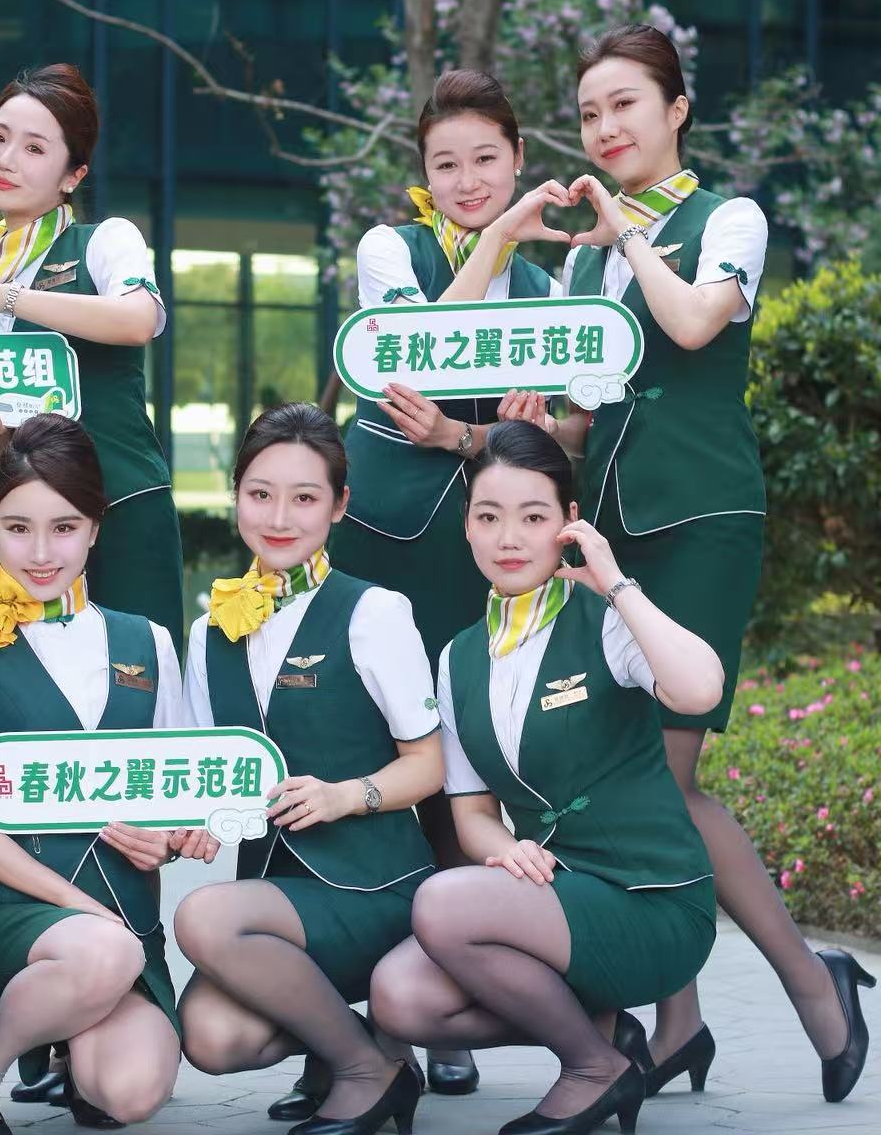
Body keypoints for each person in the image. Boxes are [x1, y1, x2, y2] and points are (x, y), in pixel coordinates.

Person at [489, 24, 875, 1102]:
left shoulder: (727, 219)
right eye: (589, 113)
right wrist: (536, 424)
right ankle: (681, 1020)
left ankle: (811, 984)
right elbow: (585, 416)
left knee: (666, 774)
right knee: (629, 777)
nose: (605, 127)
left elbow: (697, 324)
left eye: (625, 104)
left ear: (676, 110)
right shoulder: (581, 260)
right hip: (607, 529)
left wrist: (625, 232)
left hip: (703, 517)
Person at [368, 421, 730, 1135]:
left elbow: (699, 691)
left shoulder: (606, 621)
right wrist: (504, 850)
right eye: (488, 517)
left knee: (441, 903)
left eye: (532, 518)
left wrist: (615, 583)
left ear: (568, 522)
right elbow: (472, 814)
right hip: (552, 897)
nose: (508, 538)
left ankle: (592, 1069)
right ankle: (599, 1037)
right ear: (466, 526)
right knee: (399, 997)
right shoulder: (459, 658)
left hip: (651, 901)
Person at [324, 68, 565, 1106]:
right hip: (381, 542)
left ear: (519, 157)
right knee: (363, 757)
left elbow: (571, 428)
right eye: (446, 164)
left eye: (486, 161)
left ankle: (441, 999)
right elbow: (409, 350)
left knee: (461, 769)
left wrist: (491, 432)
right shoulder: (393, 249)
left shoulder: (554, 292)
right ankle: (343, 1024)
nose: (468, 181)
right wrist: (500, 236)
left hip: (486, 550)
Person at [0, 413, 205, 1134]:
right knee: (103, 950)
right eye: (18, 528)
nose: (42, 552)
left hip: (123, 914)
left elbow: (175, 791)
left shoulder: (148, 642)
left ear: (95, 528)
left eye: (65, 527)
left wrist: (172, 839)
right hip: (6, 909)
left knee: (130, 1094)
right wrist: (78, 908)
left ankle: (65, 1038)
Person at [175, 402, 443, 1135]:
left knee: (201, 915)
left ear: (339, 505)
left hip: (374, 888)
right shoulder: (208, 633)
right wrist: (189, 826)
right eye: (260, 494)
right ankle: (358, 1048)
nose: (278, 517)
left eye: (304, 497)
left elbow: (430, 764)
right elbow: (209, 775)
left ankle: (364, 1071)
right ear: (235, 495)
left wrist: (346, 796)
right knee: (211, 1038)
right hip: (270, 899)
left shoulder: (374, 612)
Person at [0, 64, 183, 648]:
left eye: (35, 148)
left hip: (123, 506)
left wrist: (3, 296)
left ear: (73, 175)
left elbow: (139, 320)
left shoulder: (103, 240)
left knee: (142, 677)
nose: (6, 159)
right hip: (34, 537)